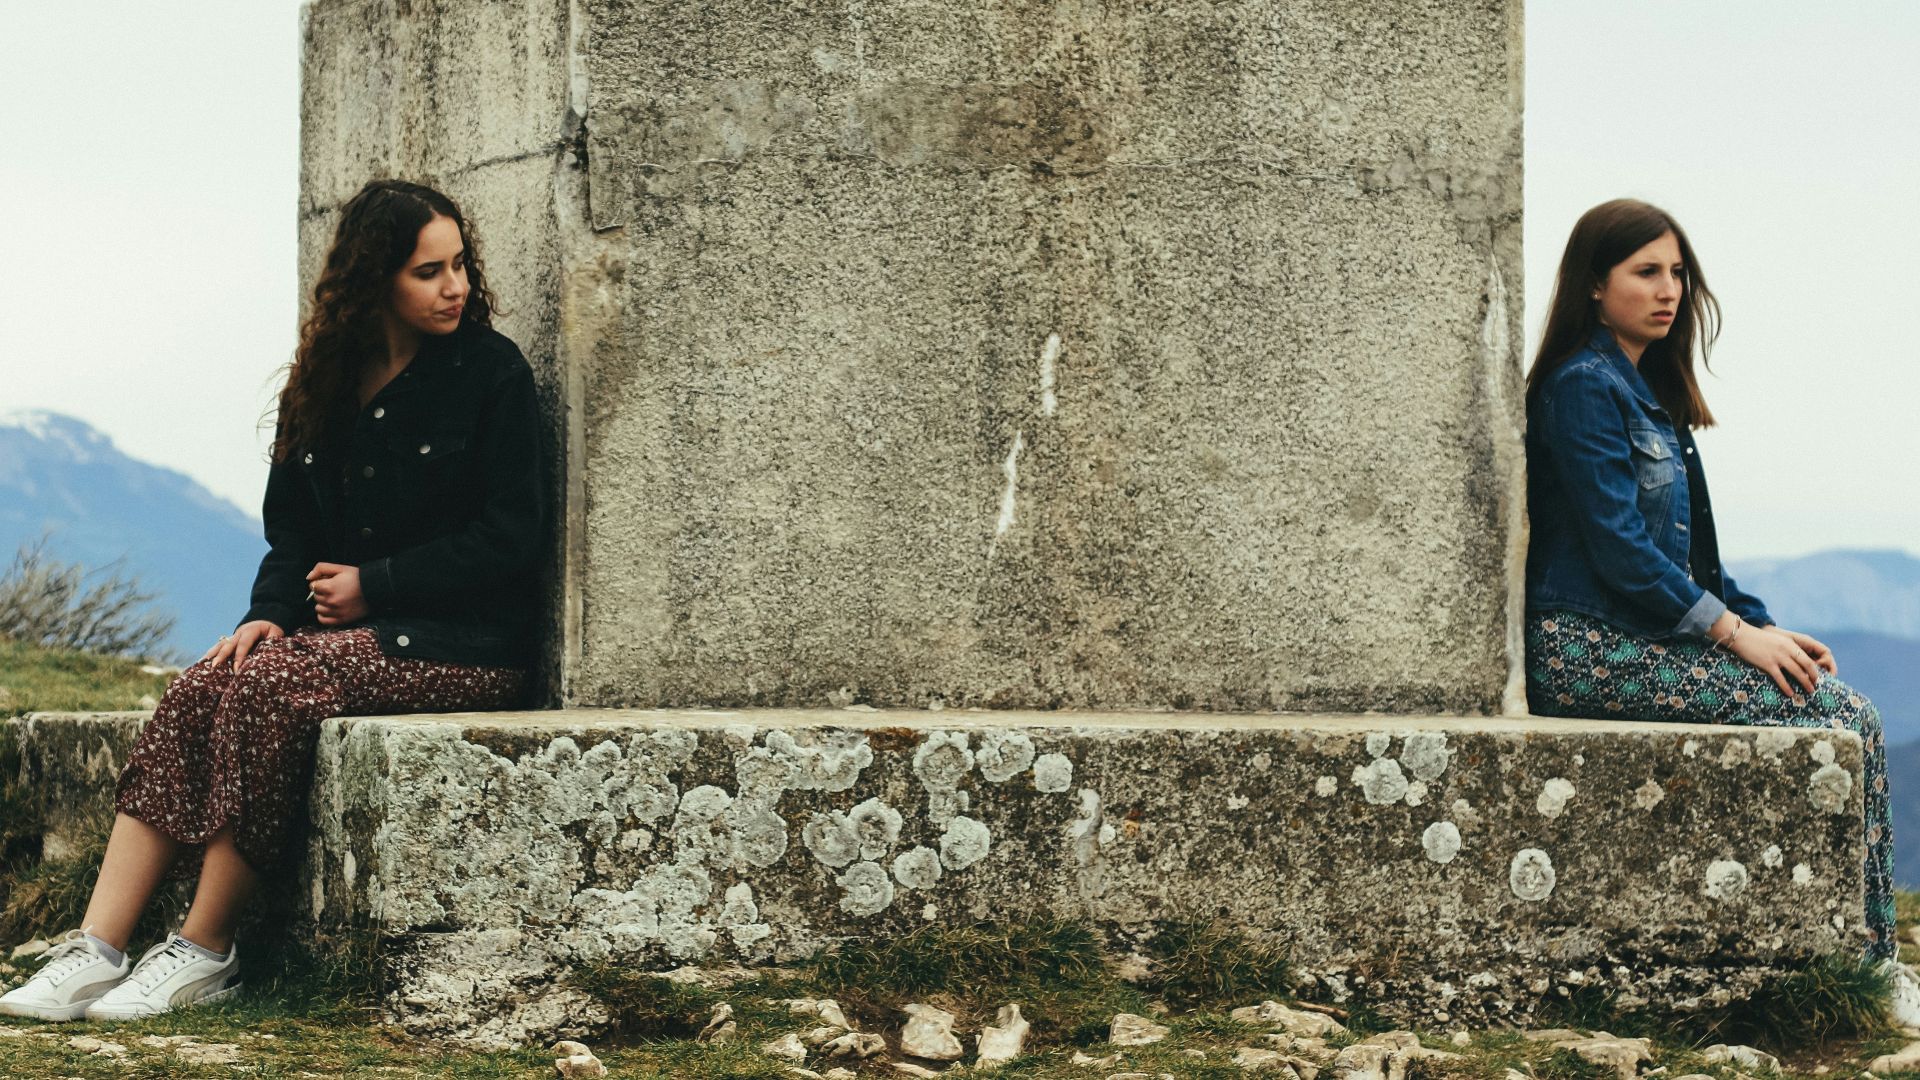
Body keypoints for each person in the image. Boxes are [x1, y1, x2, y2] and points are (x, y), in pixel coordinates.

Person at [0, 179, 547, 1022]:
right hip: (342, 641)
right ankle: (95, 949)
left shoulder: (491, 374)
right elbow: (290, 533)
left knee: (275, 686)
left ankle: (203, 949)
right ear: (376, 282)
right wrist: (265, 613)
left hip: (463, 644)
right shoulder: (323, 381)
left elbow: (514, 536)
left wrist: (378, 585)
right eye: (428, 271)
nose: (457, 287)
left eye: (460, 264)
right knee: (203, 682)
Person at [1524, 197, 1915, 1019]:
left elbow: (1694, 561)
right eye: (1646, 272)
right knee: (1843, 716)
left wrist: (1763, 626)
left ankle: (1872, 957)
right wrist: (1734, 637)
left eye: (1678, 273)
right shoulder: (1581, 388)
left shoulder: (1646, 392)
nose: (1669, 291)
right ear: (1595, 285)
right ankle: (1872, 971)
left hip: (1643, 637)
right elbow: (1619, 549)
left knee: (1846, 710)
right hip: (1586, 647)